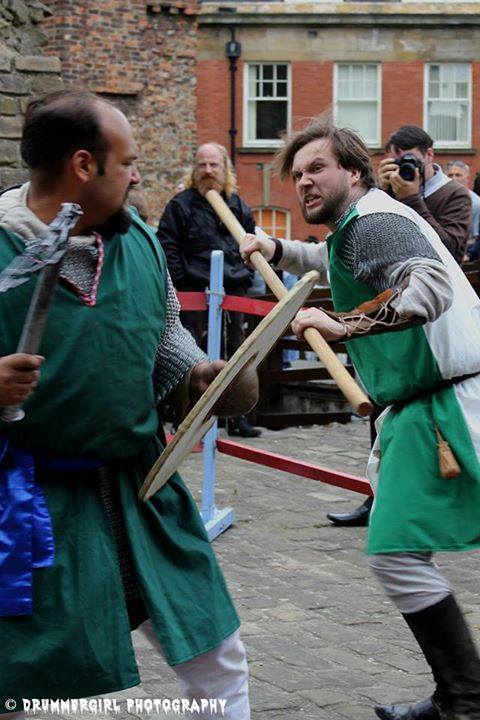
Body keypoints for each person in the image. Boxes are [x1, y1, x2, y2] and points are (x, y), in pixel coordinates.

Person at [0, 89, 259, 719]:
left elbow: (163, 339)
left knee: (217, 655)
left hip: (140, 489)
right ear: (83, 166)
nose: (139, 174)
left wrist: (200, 375)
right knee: (41, 689)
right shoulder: (4, 247)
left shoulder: (140, 242)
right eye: (129, 161)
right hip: (33, 506)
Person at [241, 115, 480, 720]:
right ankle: (461, 698)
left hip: (452, 404)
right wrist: (277, 248)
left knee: (396, 553)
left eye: (317, 168)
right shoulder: (359, 223)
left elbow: (428, 289)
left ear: (354, 170)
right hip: (433, 405)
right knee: (397, 552)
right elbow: (329, 256)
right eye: (296, 175)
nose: (303, 183)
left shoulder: (372, 222)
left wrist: (344, 325)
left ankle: (465, 701)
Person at [327, 125, 473, 528]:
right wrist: (279, 250)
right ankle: (378, 499)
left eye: (411, 155)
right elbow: (364, 257)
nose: (405, 163)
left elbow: (448, 255)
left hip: (444, 355)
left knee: (399, 544)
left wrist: (414, 200)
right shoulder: (376, 205)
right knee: (397, 544)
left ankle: (389, 505)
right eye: (396, 155)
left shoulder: (453, 196)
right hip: (402, 364)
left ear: (429, 156)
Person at [157, 143, 261, 439]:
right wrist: (183, 283)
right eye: (202, 165)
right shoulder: (181, 206)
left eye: (213, 165)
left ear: (224, 169)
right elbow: (168, 247)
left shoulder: (238, 205)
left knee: (236, 354)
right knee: (192, 356)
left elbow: (250, 244)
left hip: (233, 291)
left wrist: (244, 278)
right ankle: (187, 418)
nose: (207, 171)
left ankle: (235, 417)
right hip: (194, 293)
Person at [445, 160, 480, 258]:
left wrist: (469, 255)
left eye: (458, 175)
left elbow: (476, 238)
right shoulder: (442, 198)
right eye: (450, 175)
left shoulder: (476, 203)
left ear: (467, 178)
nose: (454, 178)